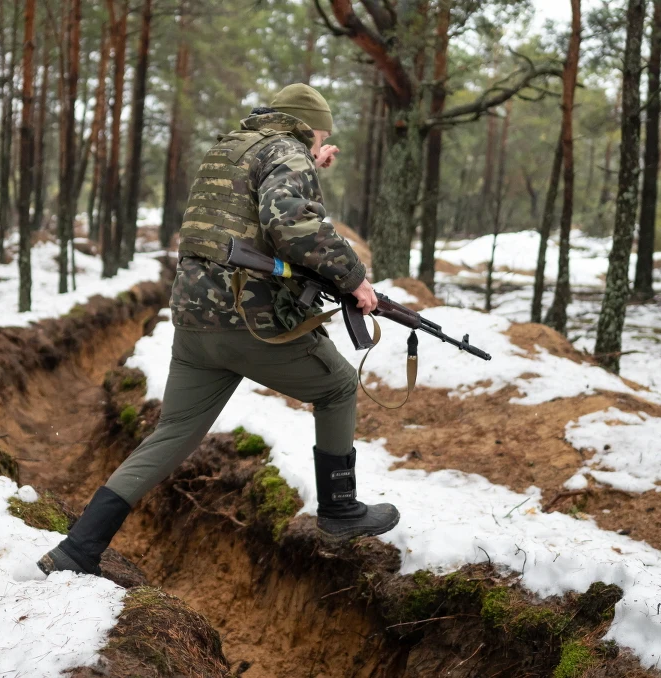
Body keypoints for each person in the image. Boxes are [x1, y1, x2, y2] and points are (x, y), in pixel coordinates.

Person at [39, 84, 398, 577]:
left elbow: (247, 210)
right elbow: (290, 224)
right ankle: (340, 511)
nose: (320, 146)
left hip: (193, 319)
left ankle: (78, 549)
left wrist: (309, 164)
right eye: (320, 137)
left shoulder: (232, 148)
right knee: (337, 386)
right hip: (248, 319)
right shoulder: (288, 151)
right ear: (308, 127)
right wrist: (354, 277)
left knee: (173, 433)